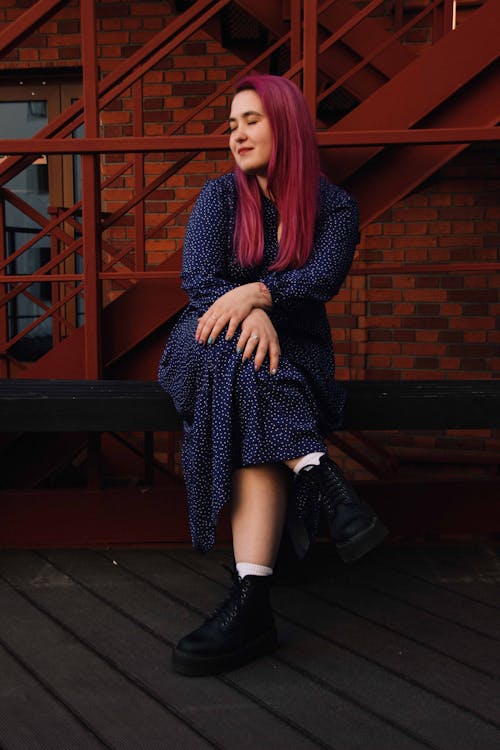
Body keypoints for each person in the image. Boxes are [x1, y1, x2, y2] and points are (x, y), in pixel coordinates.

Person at [158, 74, 387, 677]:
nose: (236, 134)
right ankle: (319, 472)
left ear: (286, 124)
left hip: (295, 352)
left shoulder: (334, 207)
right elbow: (200, 282)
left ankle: (252, 604)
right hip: (204, 340)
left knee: (251, 403)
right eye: (232, 124)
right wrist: (246, 314)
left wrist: (257, 297)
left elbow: (322, 280)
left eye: (251, 120)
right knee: (240, 359)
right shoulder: (219, 198)